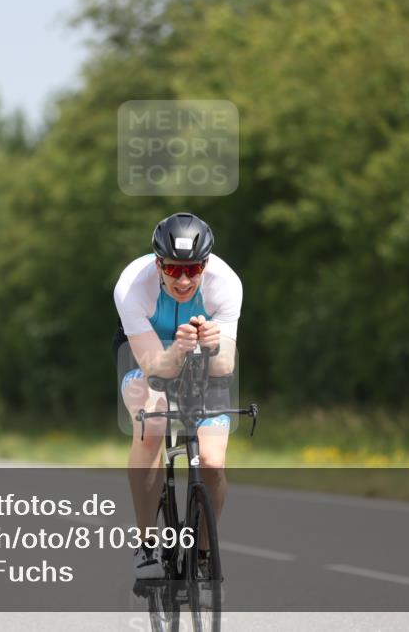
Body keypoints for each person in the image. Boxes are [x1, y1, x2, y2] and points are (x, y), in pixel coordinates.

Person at [113, 213, 242, 579]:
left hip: (205, 365)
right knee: (151, 424)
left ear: (206, 264)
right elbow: (155, 368)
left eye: (193, 268)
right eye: (173, 270)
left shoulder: (226, 283)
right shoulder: (132, 286)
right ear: (158, 265)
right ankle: (146, 545)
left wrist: (212, 347)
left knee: (213, 464)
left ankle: (202, 554)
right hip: (147, 361)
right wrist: (178, 350)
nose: (184, 279)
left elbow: (225, 367)